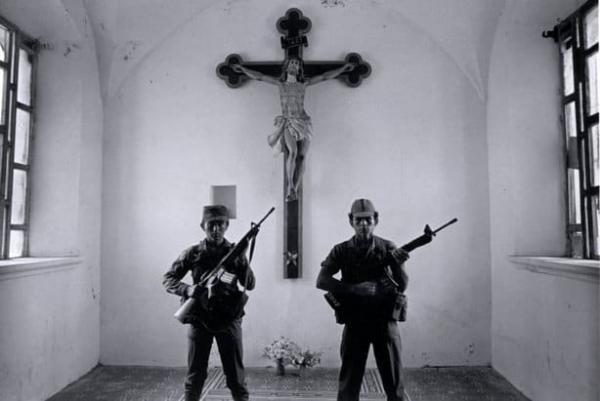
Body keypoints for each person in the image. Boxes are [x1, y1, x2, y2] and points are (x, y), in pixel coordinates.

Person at [316, 199, 426, 401]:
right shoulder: (341, 250)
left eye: (368, 220)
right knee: (349, 383)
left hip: (384, 321)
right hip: (355, 320)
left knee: (394, 383)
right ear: (351, 221)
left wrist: (398, 265)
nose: (363, 224)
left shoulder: (388, 247)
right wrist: (354, 288)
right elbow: (321, 280)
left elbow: (402, 285)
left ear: (376, 220)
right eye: (359, 220)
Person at [163, 205, 255, 401]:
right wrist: (187, 289)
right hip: (200, 318)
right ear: (202, 226)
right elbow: (168, 279)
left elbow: (251, 284)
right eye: (211, 225)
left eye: (220, 224)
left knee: (236, 377)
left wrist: (241, 260)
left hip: (228, 318)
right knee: (195, 376)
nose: (216, 230)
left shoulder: (235, 252)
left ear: (227, 226)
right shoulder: (192, 253)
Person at [232, 57, 354, 201]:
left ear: (299, 69)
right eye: (292, 63)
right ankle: (290, 185)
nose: (294, 65)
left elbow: (324, 77)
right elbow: (260, 77)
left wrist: (343, 68)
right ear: (287, 66)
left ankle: (294, 189)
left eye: (297, 64)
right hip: (288, 122)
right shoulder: (281, 84)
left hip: (303, 122)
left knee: (302, 157)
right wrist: (243, 69)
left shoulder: (303, 84)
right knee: (293, 152)